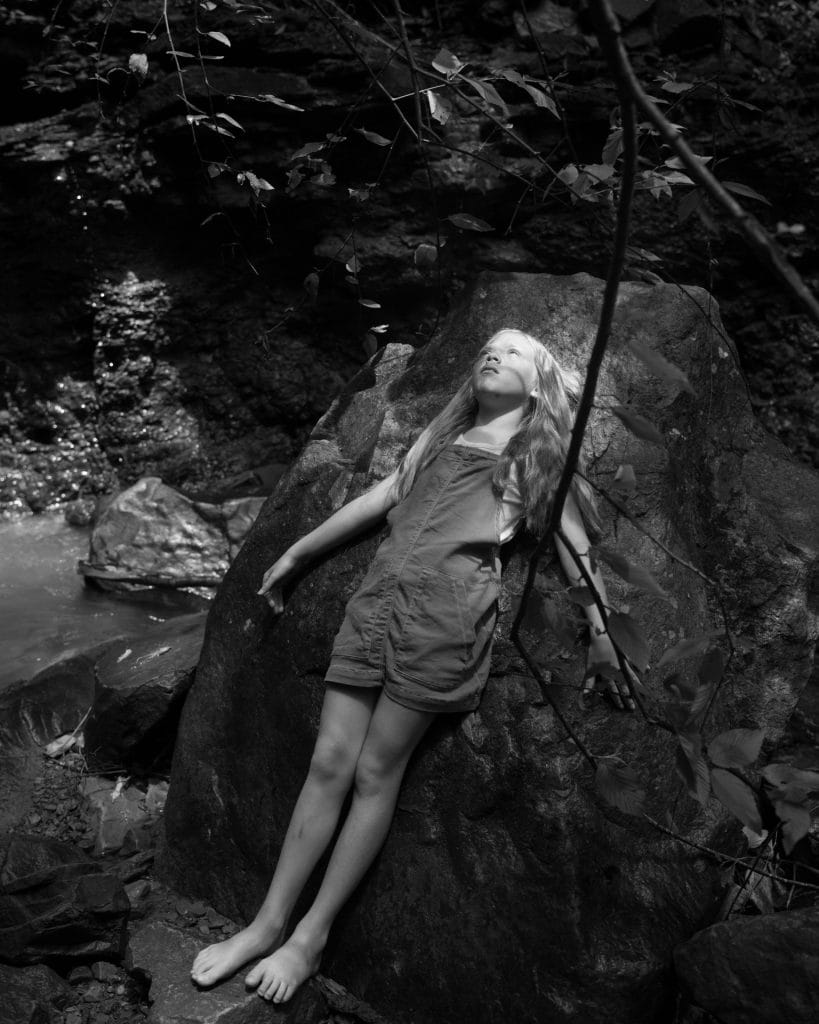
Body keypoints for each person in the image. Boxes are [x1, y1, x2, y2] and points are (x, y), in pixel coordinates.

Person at [190, 328, 632, 1002]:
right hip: (376, 604)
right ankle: (266, 923)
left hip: (443, 620)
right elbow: (380, 499)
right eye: (488, 348)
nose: (494, 354)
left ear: (540, 386)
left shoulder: (535, 455)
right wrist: (297, 553)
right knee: (328, 763)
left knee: (375, 773)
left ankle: (309, 937)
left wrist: (600, 634)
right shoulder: (441, 437)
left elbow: (576, 550)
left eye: (514, 351)